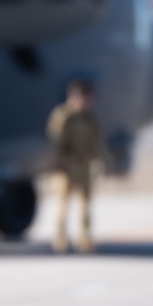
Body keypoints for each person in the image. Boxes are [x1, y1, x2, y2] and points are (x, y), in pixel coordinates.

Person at [46, 78, 103, 253]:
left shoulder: (89, 118)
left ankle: (85, 239)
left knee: (85, 205)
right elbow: (55, 142)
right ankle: (60, 239)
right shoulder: (63, 116)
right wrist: (59, 164)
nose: (87, 102)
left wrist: (99, 159)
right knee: (62, 205)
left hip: (83, 166)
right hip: (65, 168)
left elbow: (96, 143)